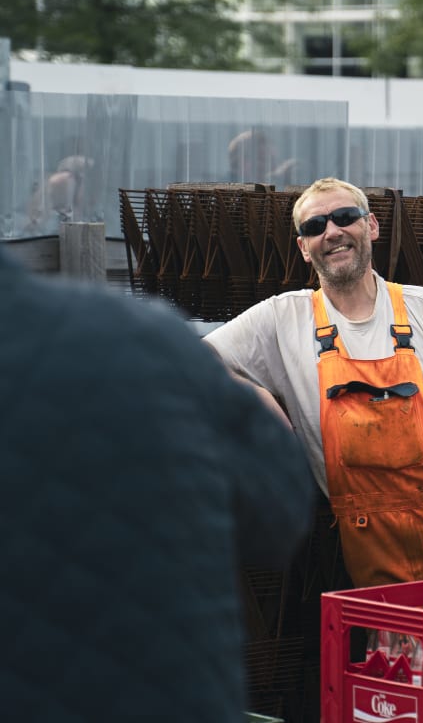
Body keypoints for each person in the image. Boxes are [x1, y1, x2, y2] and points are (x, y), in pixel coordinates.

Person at [0, 245, 314, 723]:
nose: (332, 231)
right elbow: (279, 514)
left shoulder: (420, 307)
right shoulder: (138, 335)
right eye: (316, 225)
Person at [205, 176, 423, 589]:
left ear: (372, 226)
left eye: (345, 217)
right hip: (371, 561)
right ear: (303, 249)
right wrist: (251, 397)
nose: (332, 232)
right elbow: (189, 360)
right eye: (315, 226)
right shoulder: (282, 319)